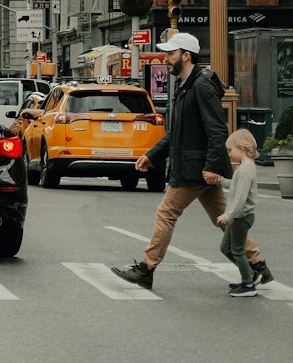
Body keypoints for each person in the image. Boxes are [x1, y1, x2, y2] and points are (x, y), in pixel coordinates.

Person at [112, 32, 273, 291]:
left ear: (186, 56)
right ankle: (258, 266)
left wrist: (209, 166)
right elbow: (177, 132)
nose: (166, 58)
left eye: (171, 54)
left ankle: (146, 269)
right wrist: (151, 155)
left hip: (194, 169)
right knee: (223, 216)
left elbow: (217, 130)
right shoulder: (186, 85)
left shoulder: (200, 86)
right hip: (196, 166)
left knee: (166, 213)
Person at [218, 128, 260, 298]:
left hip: (240, 217)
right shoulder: (245, 167)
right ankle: (248, 275)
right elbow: (235, 187)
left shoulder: (244, 170)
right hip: (239, 216)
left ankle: (248, 285)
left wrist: (227, 216)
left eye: (230, 150)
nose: (229, 154)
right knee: (225, 248)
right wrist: (219, 180)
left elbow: (240, 199)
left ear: (241, 148)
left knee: (237, 251)